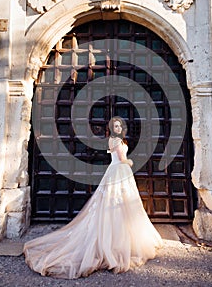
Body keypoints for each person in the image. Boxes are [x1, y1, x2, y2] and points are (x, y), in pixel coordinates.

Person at [24, 116, 163, 279]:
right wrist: (131, 162)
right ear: (112, 128)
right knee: (118, 202)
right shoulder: (116, 141)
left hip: (117, 171)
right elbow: (122, 159)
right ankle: (115, 243)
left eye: (119, 126)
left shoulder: (115, 140)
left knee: (121, 203)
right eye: (115, 126)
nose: (117, 128)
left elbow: (111, 155)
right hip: (119, 171)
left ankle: (121, 239)